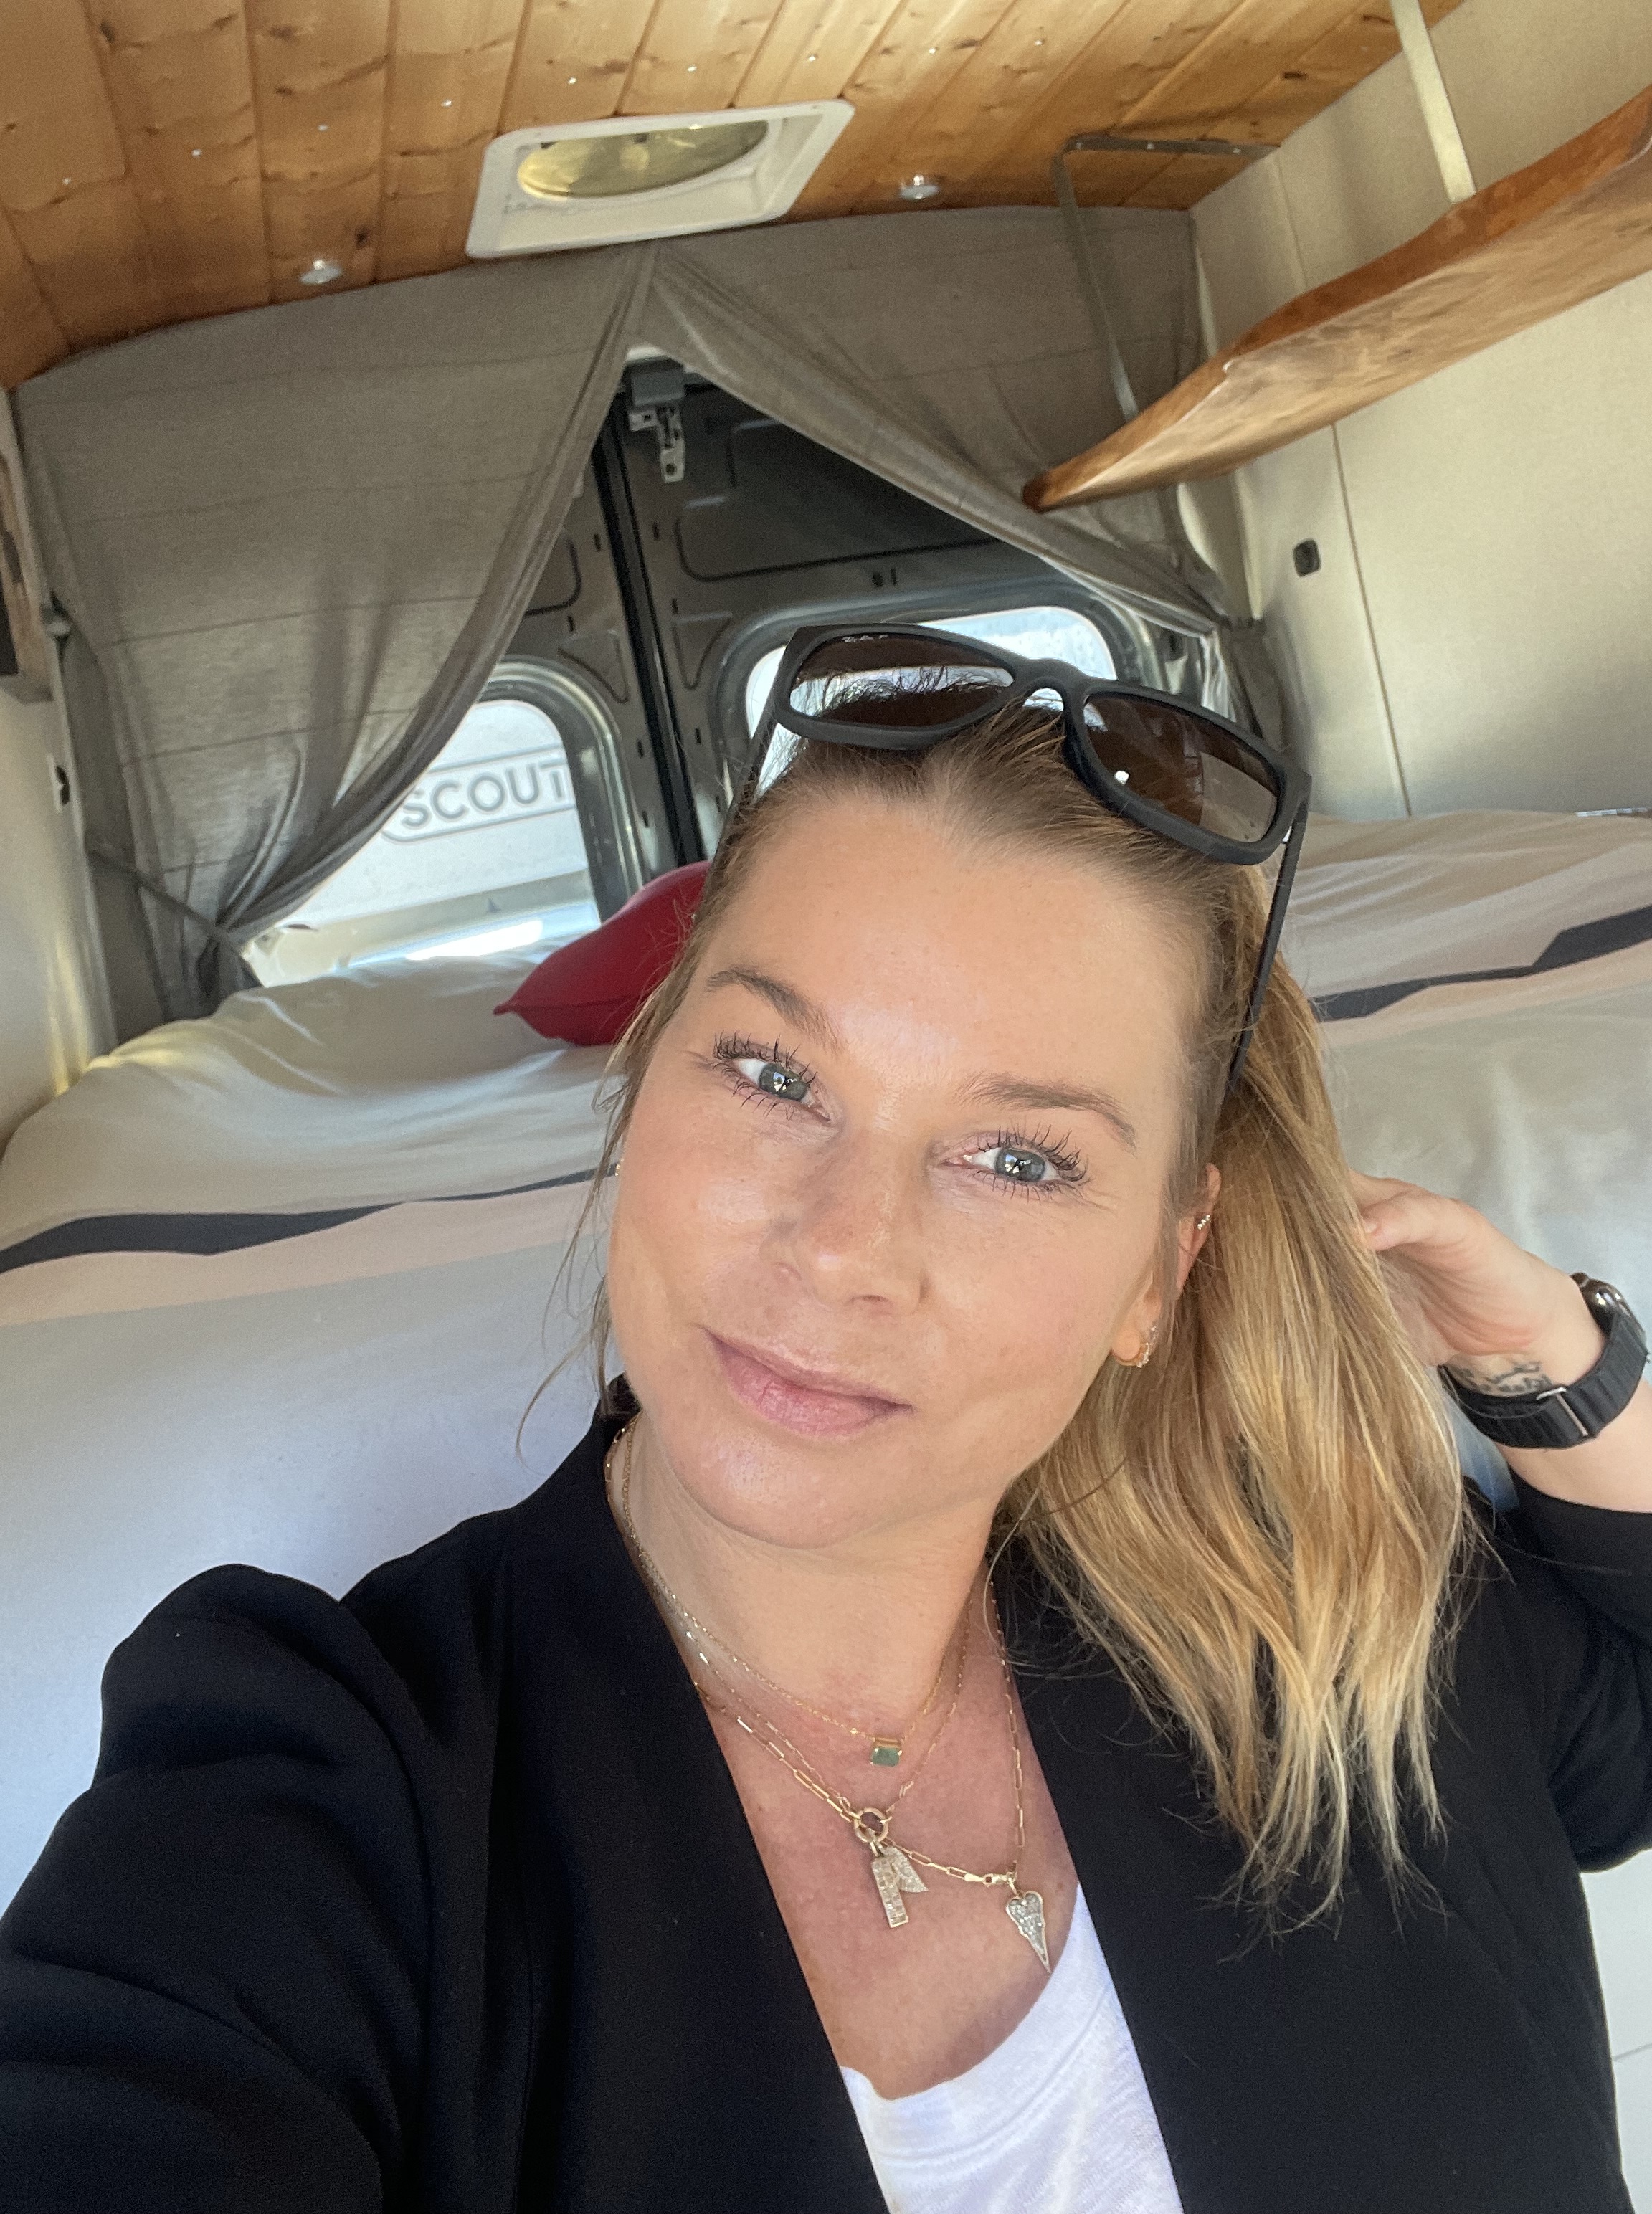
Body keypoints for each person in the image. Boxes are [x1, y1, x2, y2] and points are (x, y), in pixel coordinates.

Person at [1, 628, 1648, 2214]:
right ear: (646, 1075)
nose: (844, 1247)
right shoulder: (318, 1783)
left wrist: (1549, 1354)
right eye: (775, 1074)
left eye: (1020, 1156)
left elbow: (1624, 1744)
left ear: (1161, 1269)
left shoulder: (1306, 1596)